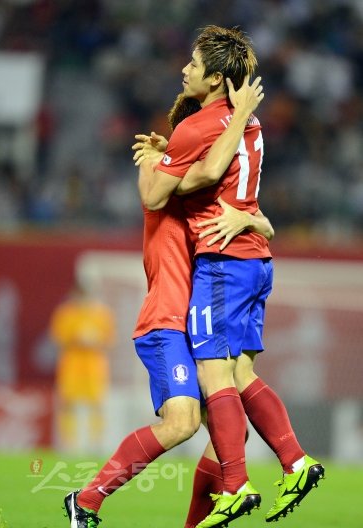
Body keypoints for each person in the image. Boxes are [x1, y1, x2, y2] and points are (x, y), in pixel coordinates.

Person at [64, 74, 272, 528]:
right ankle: (86, 500)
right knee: (182, 423)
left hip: (195, 323)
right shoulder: (164, 180)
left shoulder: (208, 205)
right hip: (166, 320)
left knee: (225, 434)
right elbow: (203, 170)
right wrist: (231, 120)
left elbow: (258, 217)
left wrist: (253, 221)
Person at [137, 25, 325, 528]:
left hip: (222, 262)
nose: (184, 70)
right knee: (242, 375)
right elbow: (208, 177)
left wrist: (160, 163)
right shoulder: (251, 123)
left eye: (193, 65)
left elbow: (156, 197)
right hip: (257, 258)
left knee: (213, 375)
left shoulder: (198, 125)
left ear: (217, 78)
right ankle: (296, 462)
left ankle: (236, 486)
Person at [49, 280, 116, 453]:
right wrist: (77, 338)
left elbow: (109, 339)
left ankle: (96, 443)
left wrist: (95, 340)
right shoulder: (66, 313)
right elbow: (58, 337)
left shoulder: (101, 314)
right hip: (72, 364)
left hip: (94, 366)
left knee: (96, 405)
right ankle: (68, 444)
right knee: (68, 404)